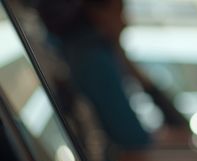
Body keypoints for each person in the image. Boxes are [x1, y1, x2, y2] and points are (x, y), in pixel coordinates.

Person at [37, 0, 189, 152]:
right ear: (97, 14)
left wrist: (131, 68)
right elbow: (133, 141)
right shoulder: (94, 59)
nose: (124, 22)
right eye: (118, 12)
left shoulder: (83, 51)